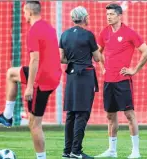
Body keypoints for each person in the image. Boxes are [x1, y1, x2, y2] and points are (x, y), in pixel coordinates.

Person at [0, 1, 62, 159]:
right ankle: (7, 115)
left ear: (29, 12)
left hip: (42, 80)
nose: (23, 16)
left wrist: (29, 87)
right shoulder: (48, 27)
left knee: (34, 124)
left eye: (24, 12)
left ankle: (41, 157)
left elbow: (34, 60)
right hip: (52, 74)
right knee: (11, 74)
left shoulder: (33, 31)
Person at [95, 3, 147, 159]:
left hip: (123, 81)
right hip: (108, 81)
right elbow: (98, 53)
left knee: (129, 114)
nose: (108, 17)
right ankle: (112, 150)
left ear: (120, 16)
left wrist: (134, 70)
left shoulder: (129, 33)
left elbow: (146, 53)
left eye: (111, 14)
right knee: (110, 116)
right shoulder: (104, 33)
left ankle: (136, 151)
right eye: (107, 14)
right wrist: (102, 67)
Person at [60, 6, 101, 159]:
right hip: (85, 76)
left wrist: (73, 60)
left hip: (71, 75)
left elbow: (61, 58)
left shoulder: (64, 35)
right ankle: (76, 151)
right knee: (82, 114)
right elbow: (97, 58)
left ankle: (67, 151)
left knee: (71, 113)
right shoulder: (88, 35)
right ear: (84, 18)